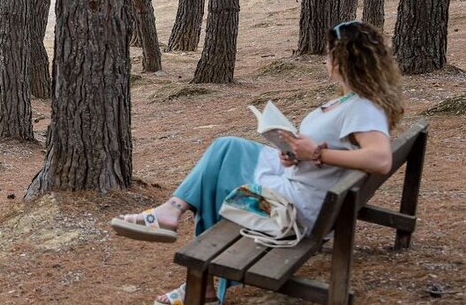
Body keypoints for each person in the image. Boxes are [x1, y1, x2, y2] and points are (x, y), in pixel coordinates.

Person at [111, 21, 402, 305]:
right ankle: (173, 214)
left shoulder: (363, 108)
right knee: (226, 146)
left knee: (216, 180)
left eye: (329, 53)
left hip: (296, 205)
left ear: (344, 59)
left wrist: (316, 153)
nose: (325, 59)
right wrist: (294, 153)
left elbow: (380, 159)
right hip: (301, 183)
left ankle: (196, 270)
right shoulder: (352, 101)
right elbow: (335, 150)